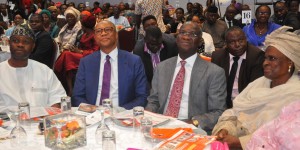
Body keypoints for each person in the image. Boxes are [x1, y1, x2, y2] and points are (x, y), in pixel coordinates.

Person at [212, 26, 300, 149]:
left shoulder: (296, 97)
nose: (265, 63)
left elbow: (280, 139)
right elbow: (234, 111)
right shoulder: (259, 83)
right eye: (265, 58)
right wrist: (225, 129)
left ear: (290, 63)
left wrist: (240, 143)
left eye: (272, 59)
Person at [146, 22, 227, 132]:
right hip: (161, 126)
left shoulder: (214, 73)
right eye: (182, 33)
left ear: (200, 42)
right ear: (177, 38)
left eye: (193, 34)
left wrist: (193, 122)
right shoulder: (162, 67)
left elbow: (218, 111)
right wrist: (146, 116)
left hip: (191, 128)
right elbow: (154, 101)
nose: (186, 37)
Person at [72, 20, 148, 109]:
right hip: (92, 115)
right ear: (95, 38)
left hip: (122, 115)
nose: (103, 33)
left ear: (116, 35)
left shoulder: (133, 61)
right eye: (99, 31)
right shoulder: (86, 62)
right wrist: (91, 110)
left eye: (107, 30)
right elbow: (77, 96)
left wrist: (121, 111)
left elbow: (142, 96)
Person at [0, 25, 66, 108]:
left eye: (26, 42)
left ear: (33, 46)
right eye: (15, 41)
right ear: (9, 43)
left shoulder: (44, 71)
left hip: (42, 118)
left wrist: (49, 117)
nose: (20, 44)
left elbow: (58, 98)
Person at [211, 27, 264, 108]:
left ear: (246, 39)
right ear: (226, 44)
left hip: (247, 104)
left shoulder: (256, 56)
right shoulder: (218, 57)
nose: (237, 45)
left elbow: (255, 89)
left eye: (241, 40)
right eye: (232, 42)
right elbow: (214, 86)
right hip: (223, 103)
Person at [55, 15, 99, 96]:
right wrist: (75, 49)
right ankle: (69, 88)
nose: (81, 26)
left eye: (82, 25)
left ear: (85, 26)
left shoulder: (95, 35)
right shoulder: (85, 34)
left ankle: (57, 72)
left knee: (67, 55)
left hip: (90, 57)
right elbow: (80, 47)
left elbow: (95, 51)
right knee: (66, 53)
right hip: (81, 55)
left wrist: (80, 51)